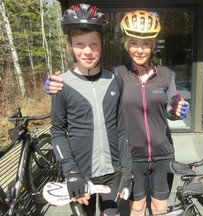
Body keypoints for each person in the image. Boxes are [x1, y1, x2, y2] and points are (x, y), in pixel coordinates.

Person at [46, 10, 190, 216]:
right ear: (126, 45)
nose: (140, 50)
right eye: (134, 43)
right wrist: (53, 84)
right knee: (137, 208)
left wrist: (177, 109)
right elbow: (89, 84)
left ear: (153, 45)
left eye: (146, 44)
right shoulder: (117, 75)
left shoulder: (166, 75)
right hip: (133, 155)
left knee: (160, 209)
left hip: (164, 153)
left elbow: (172, 105)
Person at [50, 4, 132, 216]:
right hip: (81, 173)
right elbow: (57, 132)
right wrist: (71, 172)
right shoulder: (62, 84)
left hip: (113, 173)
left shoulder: (115, 80)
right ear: (70, 45)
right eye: (80, 44)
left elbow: (122, 130)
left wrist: (127, 171)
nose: (87, 51)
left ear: (102, 44)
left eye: (94, 44)